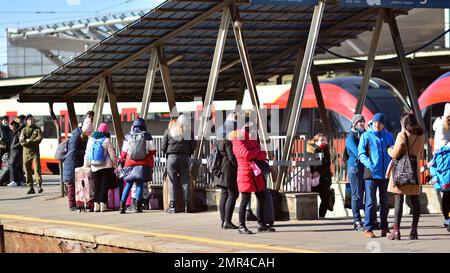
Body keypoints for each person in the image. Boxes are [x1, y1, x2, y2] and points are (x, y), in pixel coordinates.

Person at [231, 116, 275, 235]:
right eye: (249, 125)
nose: (251, 128)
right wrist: (258, 154)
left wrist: (258, 154)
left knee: (261, 197)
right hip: (246, 173)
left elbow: (259, 153)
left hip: (256, 173)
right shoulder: (238, 138)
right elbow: (246, 154)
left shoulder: (252, 137)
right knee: (245, 200)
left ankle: (261, 224)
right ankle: (241, 226)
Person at [385, 112, 425, 240]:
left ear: (404, 122)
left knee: (399, 201)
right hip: (414, 172)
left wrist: (389, 149)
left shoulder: (402, 134)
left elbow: (396, 154)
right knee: (415, 201)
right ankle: (414, 231)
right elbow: (419, 152)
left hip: (402, 172)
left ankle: (396, 231)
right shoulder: (421, 135)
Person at [358, 113, 395, 238]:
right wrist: (370, 165)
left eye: (379, 123)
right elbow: (361, 154)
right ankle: (368, 228)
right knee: (370, 202)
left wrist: (392, 165)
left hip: (385, 175)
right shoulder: (366, 136)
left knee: (384, 202)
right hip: (371, 174)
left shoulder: (389, 136)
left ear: (383, 124)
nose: (376, 125)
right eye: (374, 123)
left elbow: (394, 151)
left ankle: (384, 228)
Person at [119, 118, 156, 213]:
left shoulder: (128, 136)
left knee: (128, 184)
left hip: (129, 164)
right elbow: (153, 151)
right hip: (143, 164)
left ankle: (122, 207)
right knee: (140, 184)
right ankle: (138, 207)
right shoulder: (147, 136)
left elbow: (123, 153)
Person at [162, 116, 196, 213]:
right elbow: (193, 145)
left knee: (172, 182)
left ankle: (173, 206)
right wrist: (188, 152)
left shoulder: (168, 131)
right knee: (185, 181)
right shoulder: (189, 132)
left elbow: (163, 146)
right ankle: (187, 206)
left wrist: (169, 153)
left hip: (171, 158)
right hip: (184, 158)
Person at [84, 123, 117, 212]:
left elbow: (87, 153)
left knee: (96, 186)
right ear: (106, 131)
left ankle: (96, 205)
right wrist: (115, 164)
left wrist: (86, 165)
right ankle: (103, 204)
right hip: (106, 166)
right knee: (104, 186)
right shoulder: (106, 140)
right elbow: (112, 154)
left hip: (94, 166)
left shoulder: (91, 140)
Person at [214, 114, 239, 229]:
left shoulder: (219, 141)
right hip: (228, 169)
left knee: (224, 194)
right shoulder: (228, 142)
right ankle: (227, 221)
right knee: (233, 193)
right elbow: (232, 157)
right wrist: (237, 165)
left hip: (220, 169)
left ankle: (223, 220)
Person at [64, 118, 93, 211]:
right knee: (71, 184)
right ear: (85, 131)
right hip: (72, 164)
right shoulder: (75, 137)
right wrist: (85, 152)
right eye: (88, 133)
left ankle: (76, 203)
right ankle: (72, 204)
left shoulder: (81, 136)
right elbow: (72, 152)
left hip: (76, 163)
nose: (89, 135)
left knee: (75, 184)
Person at [345, 114, 366, 231]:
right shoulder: (350, 137)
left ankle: (369, 219)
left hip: (365, 168)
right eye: (360, 122)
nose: (362, 124)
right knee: (356, 195)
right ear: (354, 124)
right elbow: (357, 151)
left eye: (363, 122)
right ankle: (357, 221)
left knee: (364, 194)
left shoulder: (365, 134)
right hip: (355, 168)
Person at [432, 102, 450, 229]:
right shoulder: (441, 128)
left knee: (448, 194)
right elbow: (441, 147)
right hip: (445, 164)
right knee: (447, 193)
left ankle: (447, 218)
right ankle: (447, 218)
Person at [308, 133, 332, 218]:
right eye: (321, 140)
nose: (324, 142)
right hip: (314, 179)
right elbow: (311, 164)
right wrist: (315, 170)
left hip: (325, 178)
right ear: (316, 142)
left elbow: (327, 164)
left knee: (325, 199)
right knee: (311, 198)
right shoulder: (312, 150)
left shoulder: (326, 150)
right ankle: (312, 216)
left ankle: (321, 216)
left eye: (324, 140)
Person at [20, 114, 44, 194]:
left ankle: (39, 185)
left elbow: (39, 138)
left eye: (32, 119)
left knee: (37, 169)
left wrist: (30, 141)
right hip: (26, 153)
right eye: (29, 119)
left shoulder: (37, 129)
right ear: (27, 121)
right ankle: (30, 187)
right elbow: (21, 141)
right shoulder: (24, 130)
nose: (31, 121)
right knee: (27, 170)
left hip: (35, 152)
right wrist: (29, 141)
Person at [7, 121, 23, 187]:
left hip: (16, 151)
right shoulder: (15, 132)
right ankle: (19, 181)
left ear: (14, 125)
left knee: (12, 164)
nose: (10, 127)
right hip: (15, 151)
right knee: (17, 166)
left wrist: (13, 146)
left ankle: (13, 181)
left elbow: (21, 141)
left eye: (11, 126)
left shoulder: (18, 132)